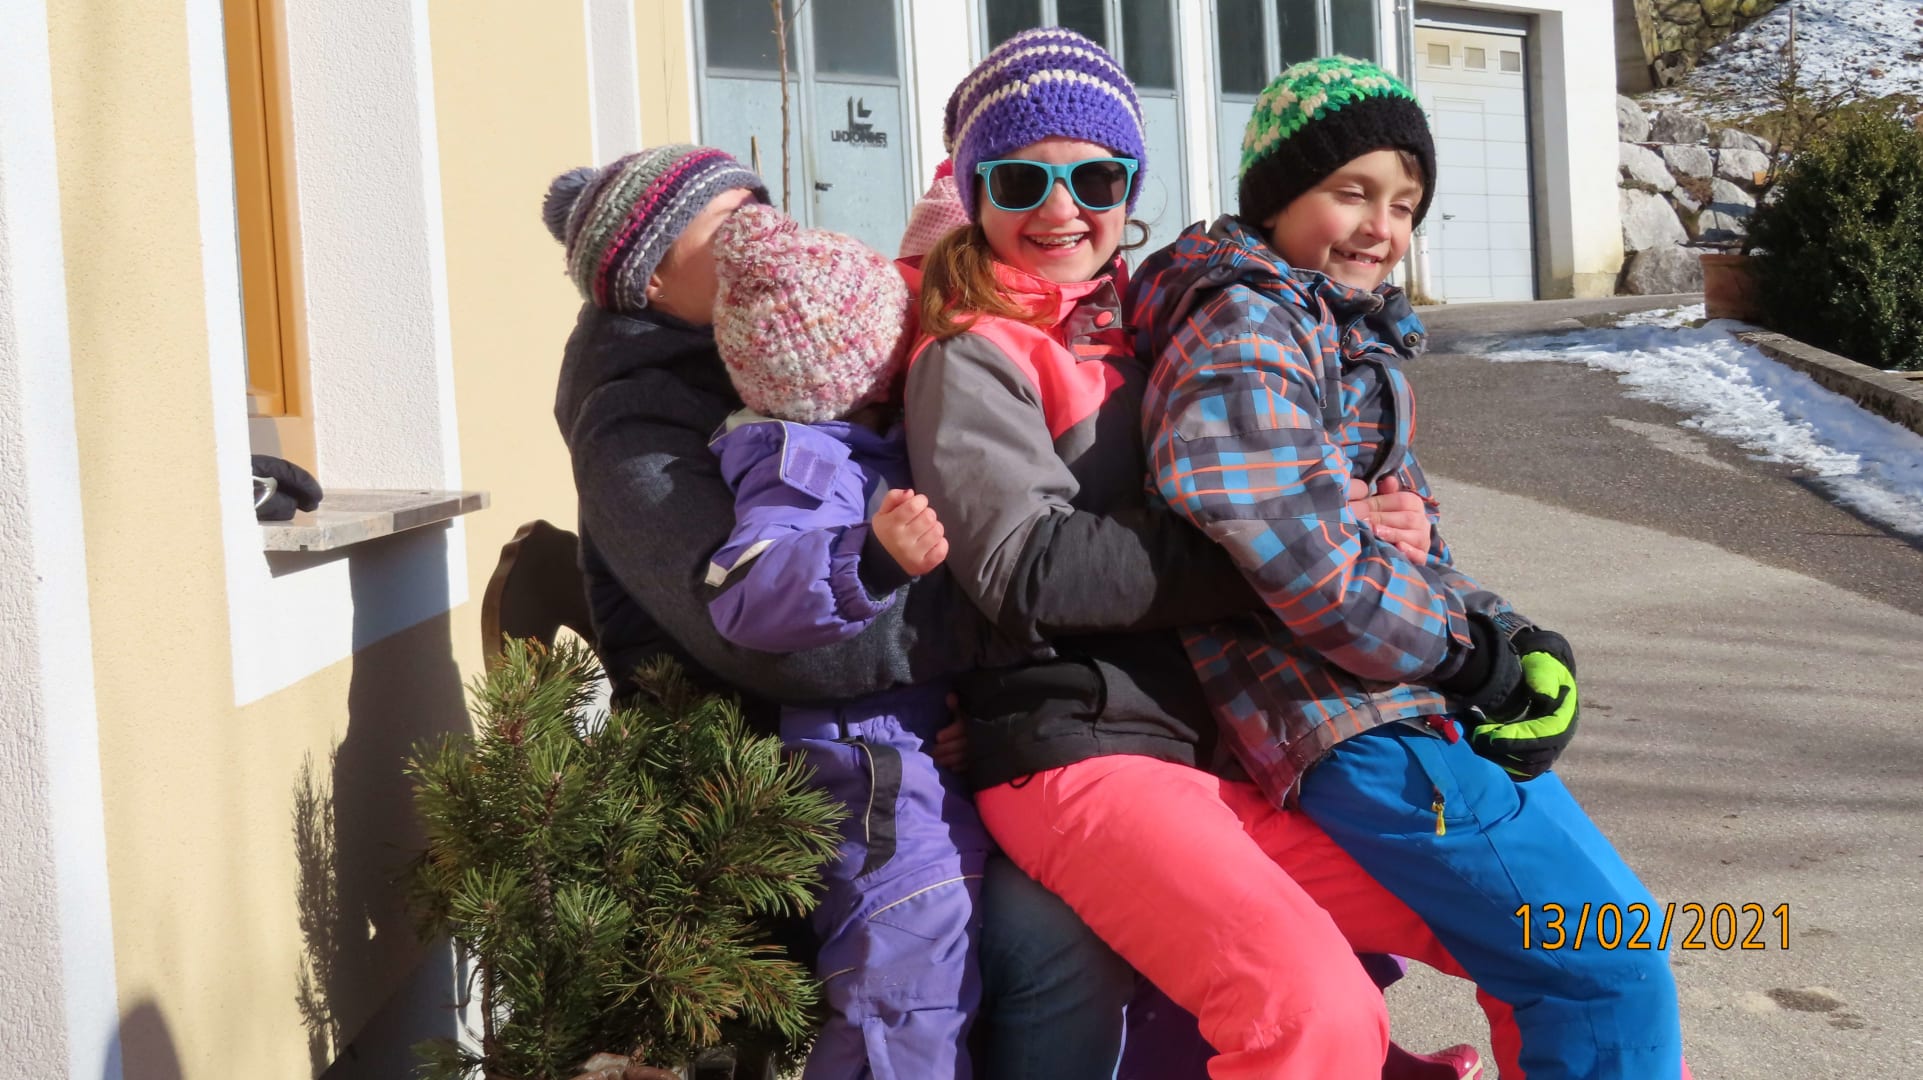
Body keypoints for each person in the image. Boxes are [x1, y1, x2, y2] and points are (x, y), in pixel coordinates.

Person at [905, 28, 1501, 1080]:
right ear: (974, 191)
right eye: (1020, 180)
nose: (1061, 207)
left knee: (1528, 928)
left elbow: (1316, 463)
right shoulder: (973, 353)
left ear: (1130, 186)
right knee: (1310, 1012)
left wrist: (1396, 519)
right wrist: (1288, 545)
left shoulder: (1156, 321)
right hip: (1079, 750)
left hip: (1219, 748)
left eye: (1095, 178)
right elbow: (1025, 567)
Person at [1132, 57, 1690, 1080]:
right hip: (1348, 716)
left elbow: (1414, 540)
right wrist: (1468, 655)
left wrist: (1511, 634)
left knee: (1600, 950)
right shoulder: (1242, 325)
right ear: (1275, 196)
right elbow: (1302, 553)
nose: (1380, 228)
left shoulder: (1336, 328)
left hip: (1402, 697)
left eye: (1404, 204)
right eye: (1351, 192)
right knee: (1604, 965)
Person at [542, 144, 1141, 1079]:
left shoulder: (783, 356)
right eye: (728, 225)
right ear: (650, 277)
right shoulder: (635, 422)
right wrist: (1001, 618)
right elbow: (779, 647)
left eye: (762, 206)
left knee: (1093, 898)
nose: (764, 235)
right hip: (767, 795)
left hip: (887, 747)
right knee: (1039, 943)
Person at [701, 200, 988, 1079]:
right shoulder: (802, 464)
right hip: (868, 769)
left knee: (937, 951)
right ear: (863, 362)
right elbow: (743, 590)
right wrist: (865, 558)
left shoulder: (863, 446)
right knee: (905, 965)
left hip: (908, 749)